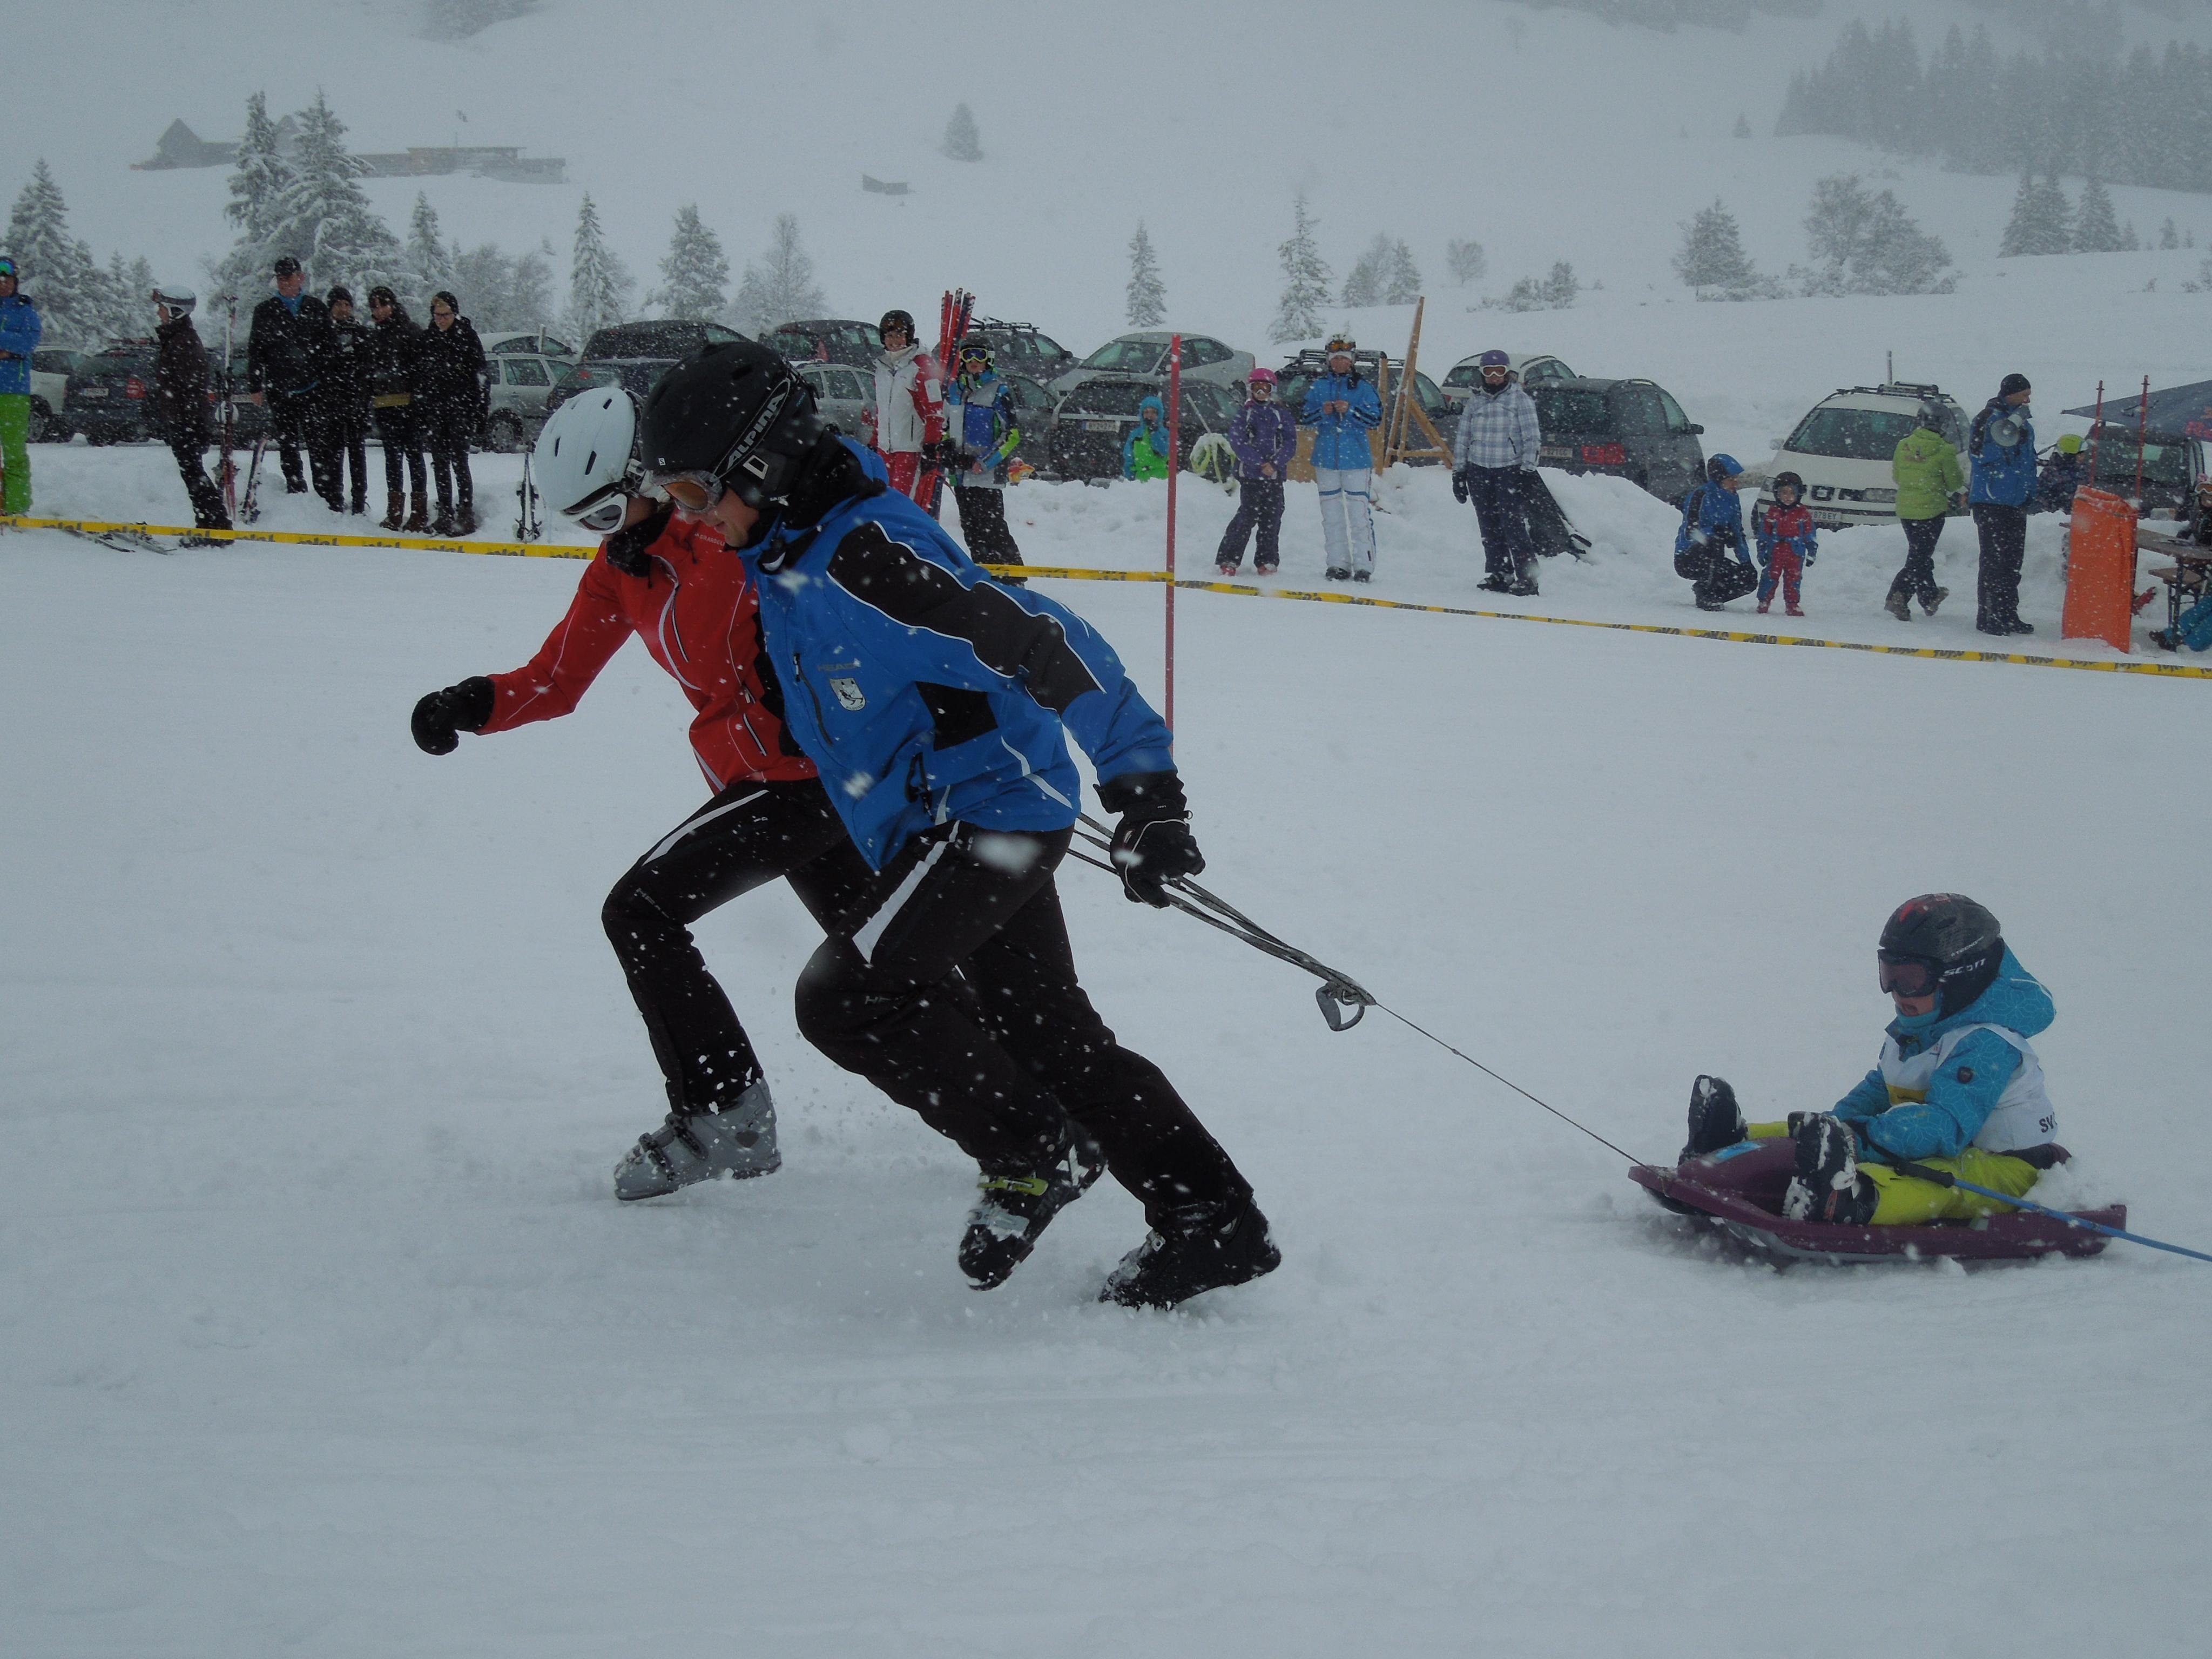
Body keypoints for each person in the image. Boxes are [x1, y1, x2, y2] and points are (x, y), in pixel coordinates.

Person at [638, 341, 1278, 1309]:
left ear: (760, 466)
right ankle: (1213, 1219)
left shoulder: (864, 557)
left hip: (987, 814)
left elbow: (1046, 640)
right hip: (952, 817)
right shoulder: (788, 550)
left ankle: (1035, 1150)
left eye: (695, 491)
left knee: (846, 999)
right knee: (1050, 1034)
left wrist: (1147, 791)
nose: (690, 515)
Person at [409, 387, 880, 1199]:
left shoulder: (730, 532)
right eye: (585, 522)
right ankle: (1023, 1098)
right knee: (885, 958)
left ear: (648, 476)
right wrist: (471, 705)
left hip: (813, 774)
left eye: (608, 509)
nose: (605, 531)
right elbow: (555, 679)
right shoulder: (622, 571)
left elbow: (842, 582)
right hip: (758, 782)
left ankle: (726, 1113)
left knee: (641, 911)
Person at [1680, 894, 2060, 1229]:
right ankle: (1733, 1143)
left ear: (1962, 979)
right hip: (1943, 1149)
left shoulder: (1987, 1045)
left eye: (1911, 979)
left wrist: (1859, 1139)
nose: (1896, 993)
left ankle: (1853, 1200)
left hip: (2007, 1170)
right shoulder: (1916, 1033)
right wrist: (1833, 1130)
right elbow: (1877, 1090)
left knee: (1938, 1178)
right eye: (1890, 975)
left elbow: (1945, 1127)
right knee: (1831, 1133)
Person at [1449, 349, 1543, 597]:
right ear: (1482, 373)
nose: (1493, 377)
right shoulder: (1475, 401)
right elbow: (1463, 438)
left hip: (1508, 471)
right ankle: (1500, 573)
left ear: (1507, 373)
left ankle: (1528, 578)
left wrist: (1528, 470)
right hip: (1479, 471)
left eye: (1499, 371)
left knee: (1513, 525)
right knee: (1489, 525)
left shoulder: (1520, 400)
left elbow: (1532, 437)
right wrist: (1459, 472)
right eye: (1489, 372)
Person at [246, 254, 338, 505]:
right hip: (280, 389)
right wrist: (255, 385)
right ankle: (295, 491)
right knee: (288, 444)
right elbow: (256, 351)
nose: (285, 283)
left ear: (301, 278)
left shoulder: (315, 307)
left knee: (319, 444)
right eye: (280, 279)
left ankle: (325, 496)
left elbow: (330, 348)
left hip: (313, 389)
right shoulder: (265, 311)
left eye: (289, 278)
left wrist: (327, 380)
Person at [148, 285, 230, 534]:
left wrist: (188, 422)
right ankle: (210, 524)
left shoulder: (183, 342)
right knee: (192, 474)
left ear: (175, 311)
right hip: (184, 419)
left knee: (194, 474)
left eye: (162, 308)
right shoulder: (177, 338)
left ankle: (214, 525)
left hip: (187, 421)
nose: (159, 313)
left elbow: (190, 387)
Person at [1300, 337, 1382, 582]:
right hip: (1326, 458)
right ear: (1329, 361)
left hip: (1356, 459)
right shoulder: (1319, 387)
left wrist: (1352, 411)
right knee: (1332, 515)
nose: (1339, 362)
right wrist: (1322, 412)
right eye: (1335, 358)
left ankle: (1364, 565)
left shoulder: (1363, 388)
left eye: (1344, 359)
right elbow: (1305, 417)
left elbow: (1375, 419)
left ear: (1352, 361)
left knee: (1359, 514)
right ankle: (1337, 564)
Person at [943, 338, 1024, 575]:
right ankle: (985, 574)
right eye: (968, 355)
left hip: (986, 475)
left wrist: (984, 462)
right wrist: (945, 448)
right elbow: (947, 426)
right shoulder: (955, 391)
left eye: (979, 355)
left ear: (989, 359)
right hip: (961, 474)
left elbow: (1012, 435)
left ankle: (1012, 576)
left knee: (992, 527)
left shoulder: (999, 391)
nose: (973, 361)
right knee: (972, 530)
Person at [1968, 372, 2038, 636]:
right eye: (2024, 394)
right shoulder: (1987, 418)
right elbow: (1977, 455)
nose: (2028, 400)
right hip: (1991, 501)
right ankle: (1989, 615)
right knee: (1993, 562)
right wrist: (2005, 437)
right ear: (2010, 393)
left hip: (2016, 502)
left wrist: (2030, 493)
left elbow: (2028, 462)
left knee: (2011, 563)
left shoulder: (2025, 425)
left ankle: (2008, 613)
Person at [414, 290, 485, 536]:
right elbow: (420, 377)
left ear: (455, 314)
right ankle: (444, 512)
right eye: (438, 315)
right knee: (440, 463)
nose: (442, 320)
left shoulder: (467, 337)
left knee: (460, 462)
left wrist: (478, 410)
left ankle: (466, 512)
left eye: (446, 315)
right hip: (436, 411)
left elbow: (481, 376)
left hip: (461, 410)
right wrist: (423, 408)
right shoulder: (428, 339)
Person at [1217, 366, 1296, 576]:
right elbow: (1238, 442)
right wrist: (1260, 464)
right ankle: (1229, 558)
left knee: (1272, 518)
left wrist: (1275, 464)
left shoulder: (1282, 415)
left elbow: (1290, 443)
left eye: (1265, 388)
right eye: (1257, 388)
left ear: (1273, 390)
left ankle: (1267, 560)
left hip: (1274, 477)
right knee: (1247, 516)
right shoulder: (1245, 414)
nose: (1261, 392)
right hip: (1251, 476)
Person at [1886, 406, 1962, 622]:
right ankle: (1898, 596)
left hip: (1906, 509)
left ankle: (1929, 596)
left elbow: (1897, 477)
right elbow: (1955, 483)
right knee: (1919, 558)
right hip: (1931, 510)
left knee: (1919, 555)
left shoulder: (1903, 445)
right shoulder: (1945, 449)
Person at [365, 286, 428, 532]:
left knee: (414, 457)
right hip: (384, 406)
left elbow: (421, 370)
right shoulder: (374, 336)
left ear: (393, 305)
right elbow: (369, 372)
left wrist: (419, 402)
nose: (379, 311)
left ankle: (419, 513)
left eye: (383, 305)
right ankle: (394, 513)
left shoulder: (410, 331)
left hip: (409, 406)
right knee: (392, 460)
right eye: (375, 307)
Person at [867, 308, 944, 507]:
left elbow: (934, 411)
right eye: (889, 336)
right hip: (885, 449)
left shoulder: (922, 365)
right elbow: (882, 411)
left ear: (909, 336)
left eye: (899, 335)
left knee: (903, 504)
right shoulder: (882, 369)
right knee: (883, 502)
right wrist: (875, 442)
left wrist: (931, 446)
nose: (894, 341)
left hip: (910, 450)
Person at [1673, 455, 1759, 611]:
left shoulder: (1733, 498)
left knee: (1748, 580)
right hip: (1689, 558)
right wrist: (1715, 533)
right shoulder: (1701, 495)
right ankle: (1707, 596)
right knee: (1715, 544)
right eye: (1731, 479)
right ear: (1720, 478)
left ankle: (1708, 592)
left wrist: (1746, 562)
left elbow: (1738, 533)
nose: (1736, 483)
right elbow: (1691, 532)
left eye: (1736, 478)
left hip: (1714, 560)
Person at [320, 287, 373, 516]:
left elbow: (367, 366)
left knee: (357, 454)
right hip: (331, 404)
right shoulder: (323, 332)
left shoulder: (360, 332)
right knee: (333, 455)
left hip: (356, 402)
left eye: (346, 305)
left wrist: (361, 394)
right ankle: (335, 498)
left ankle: (360, 500)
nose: (343, 309)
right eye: (338, 305)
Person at [0, 254, 44, 515]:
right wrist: (9, 346)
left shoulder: (25, 311)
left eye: (7, 280)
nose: (3, 284)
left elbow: (28, 343)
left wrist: (8, 345)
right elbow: (18, 344)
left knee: (15, 453)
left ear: (15, 282)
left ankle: (17, 508)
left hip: (14, 394)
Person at [1752, 471, 1817, 617]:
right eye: (1784, 493)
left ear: (1798, 495)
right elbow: (1764, 535)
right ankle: (1764, 600)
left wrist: (1812, 551)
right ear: (1777, 494)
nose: (1788, 497)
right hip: (1775, 551)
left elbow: (1810, 534)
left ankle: (1792, 604)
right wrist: (1762, 551)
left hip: (1795, 552)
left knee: (1794, 578)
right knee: (1770, 576)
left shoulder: (1803, 514)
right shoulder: (1773, 513)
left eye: (1792, 493)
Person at [1122, 393, 1171, 481]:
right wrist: (1130, 473)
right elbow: (1129, 455)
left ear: (1159, 414)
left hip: (1160, 479)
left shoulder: (1164, 433)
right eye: (1146, 412)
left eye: (1154, 412)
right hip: (1140, 478)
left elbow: (1163, 451)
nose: (1150, 415)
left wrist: (1154, 433)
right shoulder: (1136, 434)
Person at [2036, 431, 2087, 515]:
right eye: (2080, 455)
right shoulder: (2052, 474)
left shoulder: (2080, 469)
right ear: (2069, 456)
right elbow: (2042, 500)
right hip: (2058, 517)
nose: (2083, 458)